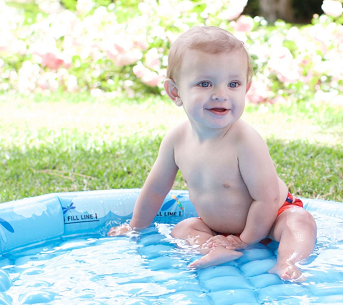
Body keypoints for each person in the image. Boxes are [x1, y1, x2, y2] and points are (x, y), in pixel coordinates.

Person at [108, 26, 316, 280]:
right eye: (205, 83)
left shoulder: (245, 140)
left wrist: (246, 241)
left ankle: (288, 262)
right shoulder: (176, 140)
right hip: (216, 227)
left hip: (272, 217)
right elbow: (155, 190)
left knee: (300, 221)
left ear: (246, 88)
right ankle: (216, 249)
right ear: (175, 92)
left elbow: (268, 199)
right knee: (183, 229)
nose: (221, 94)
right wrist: (135, 227)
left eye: (233, 84)